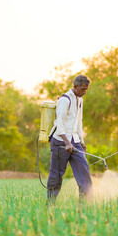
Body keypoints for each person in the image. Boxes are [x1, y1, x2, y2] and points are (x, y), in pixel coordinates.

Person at [47, 75, 93, 204]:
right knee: (56, 174)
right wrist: (67, 142)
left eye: (86, 90)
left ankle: (84, 204)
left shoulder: (80, 100)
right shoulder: (65, 100)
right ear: (75, 86)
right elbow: (59, 122)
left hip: (75, 140)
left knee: (84, 170)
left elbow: (79, 122)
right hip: (60, 142)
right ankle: (50, 203)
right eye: (82, 89)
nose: (84, 92)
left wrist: (81, 142)